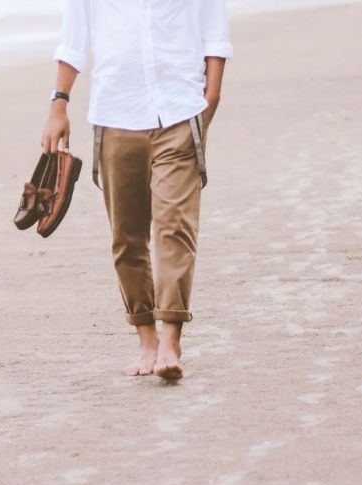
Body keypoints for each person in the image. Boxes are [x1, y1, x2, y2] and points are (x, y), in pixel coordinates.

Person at [42, 0, 232, 380]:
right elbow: (74, 40)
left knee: (174, 227)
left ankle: (171, 338)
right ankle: (146, 336)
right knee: (127, 236)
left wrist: (209, 99)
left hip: (179, 111)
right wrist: (58, 105)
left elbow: (215, 34)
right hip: (115, 115)